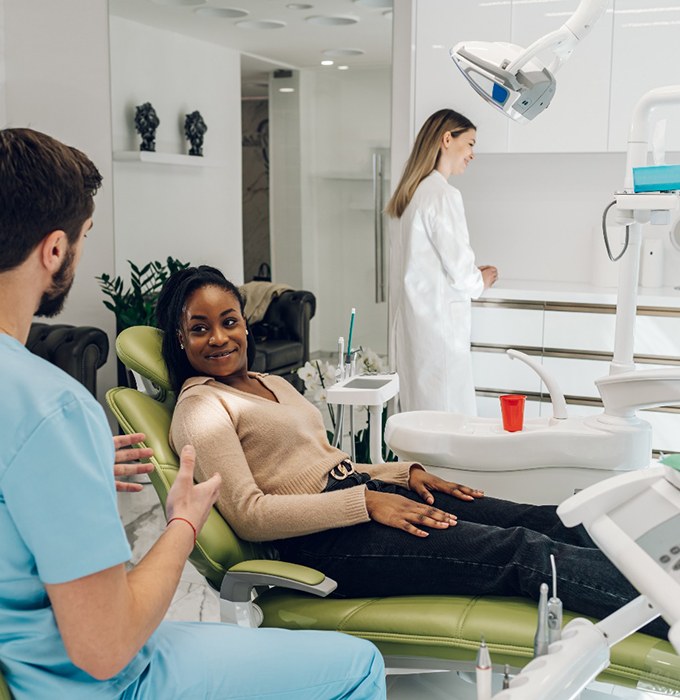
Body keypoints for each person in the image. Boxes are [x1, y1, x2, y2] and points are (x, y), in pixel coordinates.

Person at [0, 128, 386, 700]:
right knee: (360, 665)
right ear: (54, 249)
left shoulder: (39, 425)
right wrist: (182, 520)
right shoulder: (51, 408)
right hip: (97, 684)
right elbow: (106, 648)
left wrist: (54, 473)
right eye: (83, 238)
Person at [158, 265, 667, 640]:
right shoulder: (201, 407)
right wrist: (366, 503)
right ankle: (666, 608)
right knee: (518, 551)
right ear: (180, 340)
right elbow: (249, 514)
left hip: (363, 499)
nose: (220, 337)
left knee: (545, 519)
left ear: (246, 323)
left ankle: (667, 567)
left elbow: (324, 463)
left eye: (229, 321)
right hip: (321, 540)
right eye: (200, 328)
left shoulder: (271, 383)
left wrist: (404, 475)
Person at [385, 108, 498, 415]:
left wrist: (470, 273)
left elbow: (426, 264)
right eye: (471, 143)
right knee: (449, 424)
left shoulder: (412, 195)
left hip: (415, 330)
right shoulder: (442, 195)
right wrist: (481, 280)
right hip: (439, 332)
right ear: (448, 139)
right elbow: (462, 273)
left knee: (421, 421)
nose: (473, 153)